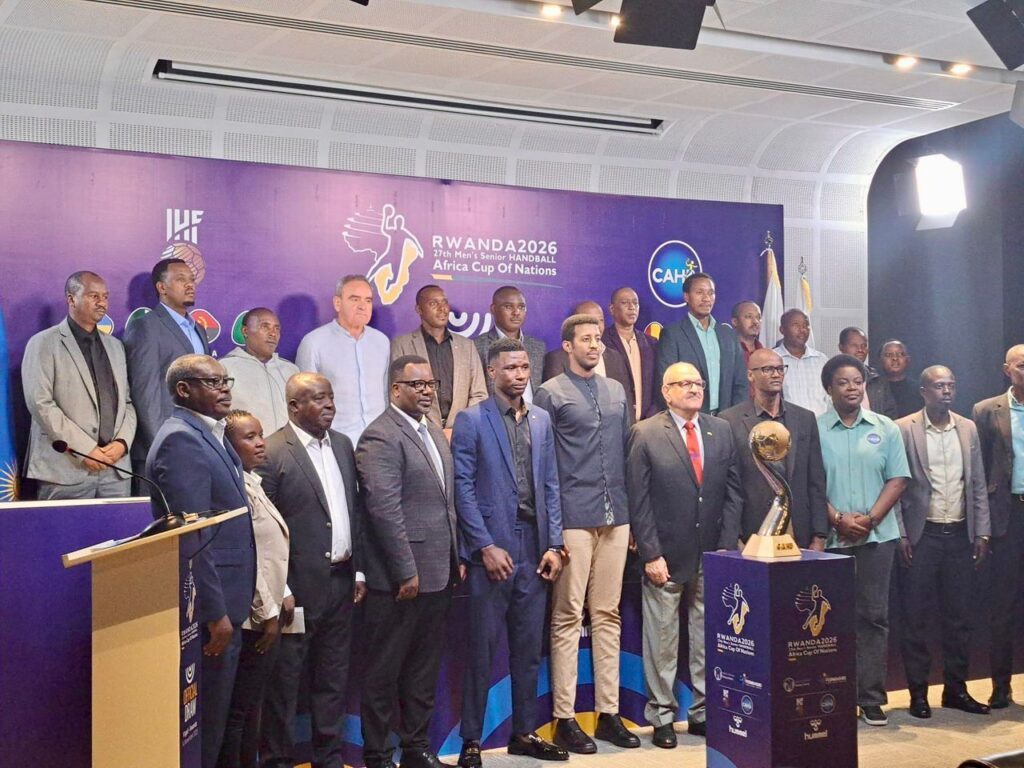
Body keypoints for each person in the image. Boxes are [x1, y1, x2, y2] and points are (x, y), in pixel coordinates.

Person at [452, 338, 567, 768]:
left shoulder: (540, 419)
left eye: (524, 367)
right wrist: (483, 546)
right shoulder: (471, 419)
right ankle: (471, 740)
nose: (519, 375)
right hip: (493, 550)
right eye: (510, 368)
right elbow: (462, 488)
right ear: (492, 372)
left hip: (534, 548)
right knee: (481, 651)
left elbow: (551, 484)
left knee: (528, 649)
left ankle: (524, 733)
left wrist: (555, 544)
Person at [534, 315, 638, 754]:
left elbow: (627, 453)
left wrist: (633, 520)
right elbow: (543, 465)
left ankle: (608, 714)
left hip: (617, 516)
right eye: (586, 339)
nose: (595, 345)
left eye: (598, 339)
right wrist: (554, 531)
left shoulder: (616, 390)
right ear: (567, 346)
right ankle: (564, 719)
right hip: (573, 517)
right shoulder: (550, 393)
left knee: (608, 614)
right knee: (567, 617)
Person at [146, 354, 256, 768]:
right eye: (213, 382)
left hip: (232, 598)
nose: (224, 388)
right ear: (183, 389)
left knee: (223, 721)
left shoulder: (212, 433)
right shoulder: (181, 440)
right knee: (205, 728)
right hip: (212, 609)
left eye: (226, 381)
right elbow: (193, 533)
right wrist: (213, 611)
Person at [627, 362, 742, 746]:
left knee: (707, 639)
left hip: (711, 553)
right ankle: (661, 716)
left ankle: (702, 713)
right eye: (685, 383)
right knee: (661, 640)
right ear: (666, 391)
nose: (694, 389)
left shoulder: (720, 430)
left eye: (698, 383)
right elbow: (638, 500)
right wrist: (650, 553)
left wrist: (725, 547)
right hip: (665, 556)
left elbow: (733, 493)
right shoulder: (645, 433)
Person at [356, 355, 461, 768]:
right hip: (400, 579)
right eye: (416, 385)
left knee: (422, 669)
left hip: (438, 571)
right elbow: (384, 510)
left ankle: (416, 748)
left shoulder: (431, 430)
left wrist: (456, 554)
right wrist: (405, 569)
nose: (426, 391)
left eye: (430, 384)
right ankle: (379, 755)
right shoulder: (380, 435)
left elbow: (444, 503)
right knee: (384, 672)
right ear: (395, 389)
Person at [256, 373, 365, 768]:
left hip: (341, 582)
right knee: (284, 686)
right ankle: (278, 761)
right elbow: (262, 530)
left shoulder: (343, 445)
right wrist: (280, 588)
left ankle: (329, 759)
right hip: (294, 592)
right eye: (318, 398)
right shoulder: (272, 452)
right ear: (294, 407)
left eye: (330, 397)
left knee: (332, 680)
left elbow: (353, 512)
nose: (329, 405)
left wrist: (359, 572)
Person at [817, 354, 909, 727]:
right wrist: (838, 519)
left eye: (857, 381)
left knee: (874, 617)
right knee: (829, 622)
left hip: (877, 538)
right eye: (843, 382)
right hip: (830, 541)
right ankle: (833, 696)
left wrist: (870, 519)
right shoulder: (814, 429)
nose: (852, 388)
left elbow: (898, 479)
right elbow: (809, 483)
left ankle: (870, 698)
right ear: (829, 389)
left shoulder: (886, 428)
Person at [895, 366, 991, 720]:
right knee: (915, 619)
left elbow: (976, 483)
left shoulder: (967, 428)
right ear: (923, 391)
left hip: (960, 534)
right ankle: (918, 694)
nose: (946, 391)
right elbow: (897, 483)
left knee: (959, 618)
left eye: (951, 385)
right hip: (923, 536)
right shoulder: (904, 428)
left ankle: (956, 690)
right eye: (939, 386)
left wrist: (982, 531)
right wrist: (901, 533)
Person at [218, 410, 292, 768]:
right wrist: (268, 613)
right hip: (252, 616)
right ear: (228, 446)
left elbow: (270, 547)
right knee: (238, 712)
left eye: (261, 434)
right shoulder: (235, 490)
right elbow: (250, 554)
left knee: (252, 709)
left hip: (269, 607)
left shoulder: (253, 482)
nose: (261, 443)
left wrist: (285, 591)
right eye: (249, 437)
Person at [22, 270, 136, 499]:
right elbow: (40, 403)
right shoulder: (44, 343)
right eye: (94, 296)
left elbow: (126, 402)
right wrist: (85, 450)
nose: (102, 302)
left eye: (105, 296)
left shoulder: (115, 346)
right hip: (65, 469)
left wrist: (122, 443)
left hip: (115, 470)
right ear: (71, 299)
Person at [719, 348, 829, 550]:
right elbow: (728, 486)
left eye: (780, 369)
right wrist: (734, 538)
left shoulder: (804, 419)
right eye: (768, 369)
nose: (776, 374)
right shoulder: (729, 421)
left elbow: (816, 481)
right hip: (751, 532)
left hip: (799, 532)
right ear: (750, 375)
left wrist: (819, 535)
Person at [125, 258, 210, 481]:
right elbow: (145, 392)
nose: (190, 285)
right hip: (162, 448)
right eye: (181, 279)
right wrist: (161, 445)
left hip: (198, 443)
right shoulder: (146, 326)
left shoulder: (199, 330)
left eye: (191, 279)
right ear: (161, 287)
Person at [973, 344, 1024, 709]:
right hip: (1007, 517)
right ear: (1007, 370)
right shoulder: (986, 410)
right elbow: (978, 470)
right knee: (1002, 606)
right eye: (1022, 365)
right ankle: (1001, 686)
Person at [295, 275, 390, 446]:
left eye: (368, 300)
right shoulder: (314, 342)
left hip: (380, 441)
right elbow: (305, 400)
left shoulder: (382, 342)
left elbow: (386, 393)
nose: (362, 306)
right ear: (337, 303)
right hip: (335, 443)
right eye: (355, 299)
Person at [390, 285, 487, 431]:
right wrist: (427, 429)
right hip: (419, 432)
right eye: (433, 303)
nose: (443, 309)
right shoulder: (402, 344)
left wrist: (460, 426)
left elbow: (479, 394)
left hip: (460, 432)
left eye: (444, 302)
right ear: (419, 309)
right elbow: (398, 396)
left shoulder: (467, 346)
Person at [654, 273, 746, 415]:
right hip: (688, 417)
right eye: (699, 292)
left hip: (726, 419)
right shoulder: (672, 334)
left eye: (711, 293)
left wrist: (735, 416)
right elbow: (666, 380)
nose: (706, 298)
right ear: (686, 297)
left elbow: (741, 383)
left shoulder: (728, 335)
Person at [221, 308, 299, 435]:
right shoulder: (225, 367)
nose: (273, 333)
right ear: (245, 331)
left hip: (288, 445)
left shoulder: (291, 370)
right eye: (265, 327)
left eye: (277, 328)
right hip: (246, 445)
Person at [541, 300, 631, 396]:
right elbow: (554, 398)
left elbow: (625, 398)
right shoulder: (557, 358)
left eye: (601, 320)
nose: (597, 326)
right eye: (590, 320)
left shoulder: (615, 357)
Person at [472, 286, 545, 401]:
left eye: (521, 307)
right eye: (508, 307)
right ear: (493, 309)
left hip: (533, 411)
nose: (516, 312)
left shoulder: (538, 347)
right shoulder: (476, 346)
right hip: (495, 411)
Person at [603, 287, 658, 421]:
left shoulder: (651, 343)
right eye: (625, 303)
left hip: (647, 424)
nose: (631, 307)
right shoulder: (603, 342)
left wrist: (650, 418)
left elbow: (659, 385)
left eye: (635, 303)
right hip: (616, 422)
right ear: (612, 309)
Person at [775, 308, 830, 416]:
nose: (802, 330)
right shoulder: (773, 359)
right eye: (796, 325)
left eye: (806, 325)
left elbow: (830, 397)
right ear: (782, 329)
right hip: (787, 424)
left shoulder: (821, 360)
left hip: (821, 423)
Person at [838, 327, 895, 419]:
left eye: (864, 345)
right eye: (854, 345)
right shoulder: (833, 378)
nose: (860, 350)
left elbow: (890, 413)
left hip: (876, 427)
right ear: (841, 347)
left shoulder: (877, 379)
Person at [877, 340, 922, 419]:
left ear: (908, 360)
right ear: (880, 360)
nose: (895, 358)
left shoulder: (920, 390)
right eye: (889, 355)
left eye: (900, 354)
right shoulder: (873, 390)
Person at [730, 300, 763, 369]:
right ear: (735, 322)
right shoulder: (727, 351)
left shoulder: (764, 352)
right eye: (749, 316)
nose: (756, 322)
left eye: (758, 317)